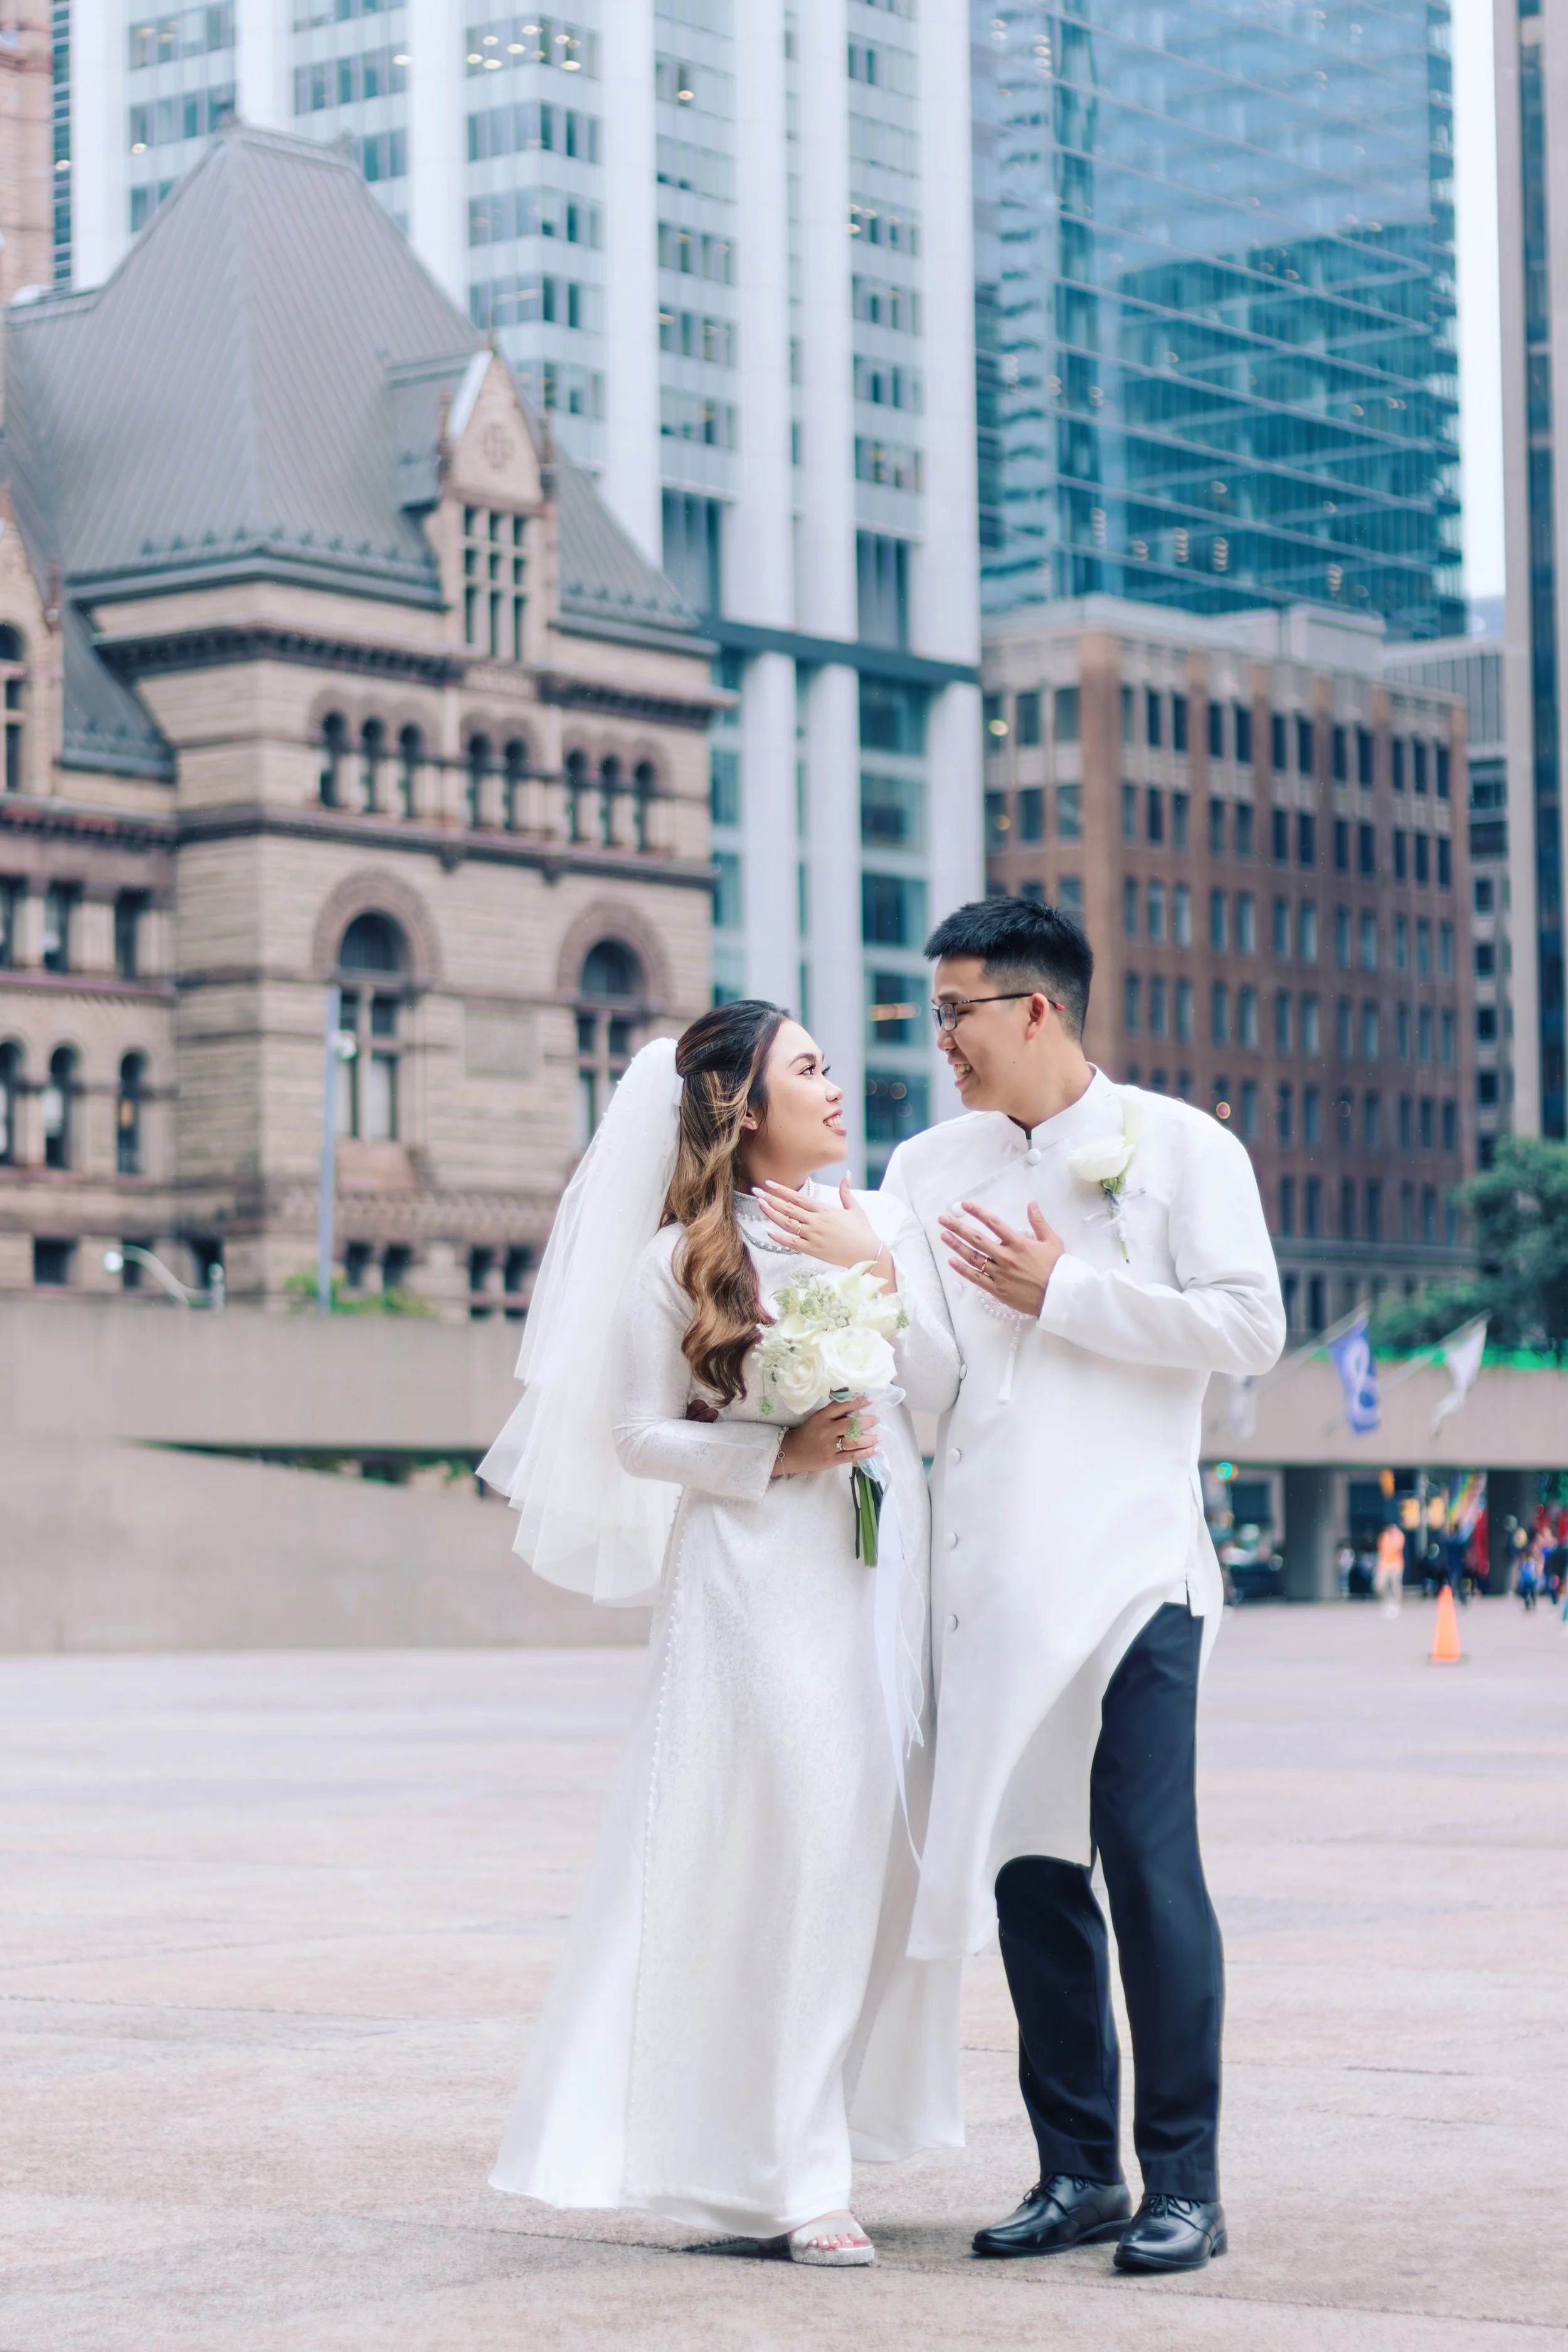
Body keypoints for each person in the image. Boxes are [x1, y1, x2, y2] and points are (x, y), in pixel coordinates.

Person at [479, 1004, 963, 2265]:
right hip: (751, 1575)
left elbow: (945, 1391)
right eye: (806, 1069)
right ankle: (799, 2181)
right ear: (745, 1109)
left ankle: (798, 2144)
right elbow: (634, 1436)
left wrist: (875, 1268)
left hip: (875, 1557)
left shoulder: (885, 1221)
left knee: (861, 1854)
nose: (833, 1084)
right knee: (780, 1842)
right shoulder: (675, 1263)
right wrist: (772, 1452)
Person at [881, 896, 1285, 2276]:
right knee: (1027, 1880)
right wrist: (852, 1303)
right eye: (931, 1015)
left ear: (1034, 1009)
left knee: (1148, 1867)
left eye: (956, 1014)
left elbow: (1248, 1330)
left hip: (1133, 1573)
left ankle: (1184, 2182)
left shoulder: (1180, 1148)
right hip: (987, 1575)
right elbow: (932, 1381)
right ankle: (1076, 2174)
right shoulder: (926, 1165)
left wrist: (1064, 1291)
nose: (941, 1041)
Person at [1374, 1520, 1406, 1619]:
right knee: (1379, 1585)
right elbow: (1381, 1550)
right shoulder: (1384, 1536)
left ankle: (1397, 1604)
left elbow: (1397, 1547)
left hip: (1396, 1565)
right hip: (1384, 1564)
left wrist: (1394, 1537)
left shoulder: (1399, 1536)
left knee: (1395, 1586)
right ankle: (1386, 1601)